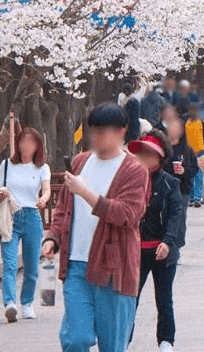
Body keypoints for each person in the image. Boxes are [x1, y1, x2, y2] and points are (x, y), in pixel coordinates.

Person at [42, 103, 149, 352]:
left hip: (115, 269)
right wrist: (53, 238)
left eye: (104, 131)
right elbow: (64, 208)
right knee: (75, 339)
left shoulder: (134, 170)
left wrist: (87, 193)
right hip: (77, 266)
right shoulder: (80, 163)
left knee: (112, 346)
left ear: (121, 131)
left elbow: (127, 215)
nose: (97, 136)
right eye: (94, 130)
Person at [128, 131, 185, 352]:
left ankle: (166, 340)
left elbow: (175, 216)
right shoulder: (130, 182)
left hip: (162, 251)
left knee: (164, 299)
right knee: (130, 299)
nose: (143, 156)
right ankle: (124, 338)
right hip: (135, 251)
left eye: (149, 153)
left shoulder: (170, 184)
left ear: (160, 156)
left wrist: (168, 242)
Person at [0, 126, 51, 323]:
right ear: (17, 143)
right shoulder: (5, 165)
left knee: (31, 267)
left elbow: (46, 189)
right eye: (23, 141)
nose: (26, 145)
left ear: (37, 146)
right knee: (10, 263)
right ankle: (9, 303)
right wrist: (1, 193)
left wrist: (43, 198)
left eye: (31, 142)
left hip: (31, 216)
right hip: (10, 215)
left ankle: (27, 303)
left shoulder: (42, 168)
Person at [162, 106, 198, 206]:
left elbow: (194, 169)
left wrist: (184, 171)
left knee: (179, 219)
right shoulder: (163, 148)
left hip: (183, 190)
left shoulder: (187, 149)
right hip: (165, 190)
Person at [184, 102, 204, 207]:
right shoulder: (186, 122)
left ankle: (197, 198)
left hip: (200, 151)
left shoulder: (202, 123)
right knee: (191, 175)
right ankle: (192, 198)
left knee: (198, 175)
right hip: (189, 152)